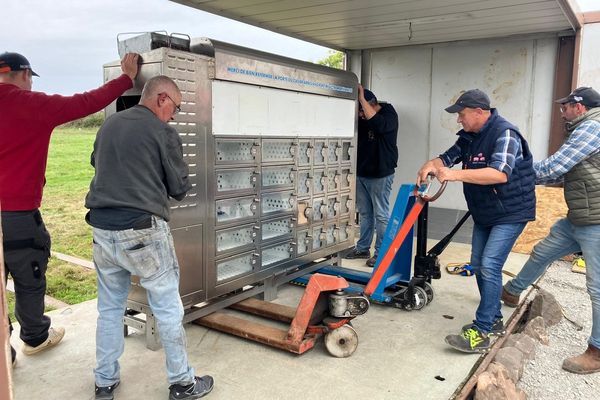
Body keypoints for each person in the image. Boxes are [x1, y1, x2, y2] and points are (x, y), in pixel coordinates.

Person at [0, 51, 139, 367]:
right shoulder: (31, 105)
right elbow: (88, 101)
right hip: (17, 217)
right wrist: (127, 78)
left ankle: (3, 357)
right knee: (29, 274)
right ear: (25, 75)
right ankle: (34, 337)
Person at [85, 75, 214, 400]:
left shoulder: (109, 126)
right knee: (168, 309)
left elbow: (97, 164)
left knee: (110, 310)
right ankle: (183, 384)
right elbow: (179, 188)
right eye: (176, 107)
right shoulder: (163, 132)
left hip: (102, 229)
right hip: (142, 229)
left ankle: (104, 384)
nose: (174, 116)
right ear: (161, 98)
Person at [417, 89, 536, 353]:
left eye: (461, 114)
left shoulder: (505, 134)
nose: (459, 120)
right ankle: (493, 319)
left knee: (490, 265)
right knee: (480, 265)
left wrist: (454, 175)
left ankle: (481, 331)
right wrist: (430, 165)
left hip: (511, 212)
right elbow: (446, 158)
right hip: (485, 212)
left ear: (479, 112)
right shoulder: (470, 137)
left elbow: (499, 174)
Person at [502, 86, 600, 374]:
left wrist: (510, 173)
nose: (562, 111)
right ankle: (512, 291)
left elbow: (556, 166)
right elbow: (564, 172)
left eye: (565, 106)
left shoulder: (591, 127)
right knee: (542, 251)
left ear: (579, 107)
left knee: (597, 288)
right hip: (579, 218)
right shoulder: (584, 126)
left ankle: (596, 350)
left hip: (597, 220)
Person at [344, 85, 398, 267]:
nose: (360, 116)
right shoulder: (363, 116)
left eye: (361, 111)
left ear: (371, 105)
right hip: (361, 173)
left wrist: (361, 99)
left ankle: (381, 253)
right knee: (366, 214)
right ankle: (362, 248)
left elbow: (379, 125)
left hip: (381, 174)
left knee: (381, 215)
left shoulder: (389, 115)